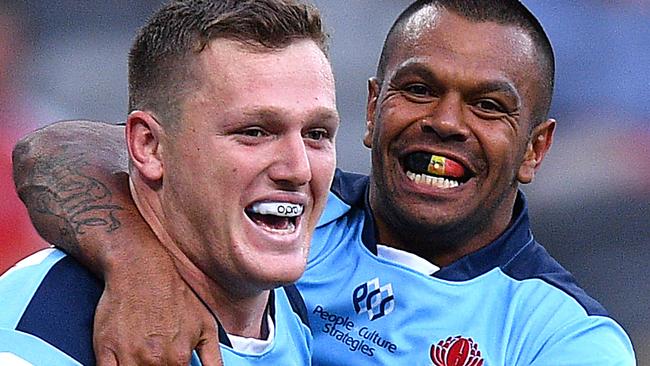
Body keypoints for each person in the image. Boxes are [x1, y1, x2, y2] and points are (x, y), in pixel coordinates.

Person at [11, 0, 636, 365]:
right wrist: (134, 261)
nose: (446, 123)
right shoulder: (296, 215)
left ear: (537, 148)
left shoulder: (561, 334)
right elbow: (60, 147)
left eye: (489, 107)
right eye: (418, 89)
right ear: (372, 109)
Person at [1, 0, 340, 365]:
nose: (299, 169)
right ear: (150, 146)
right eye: (254, 132)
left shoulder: (284, 300)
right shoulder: (41, 335)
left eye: (317, 134)